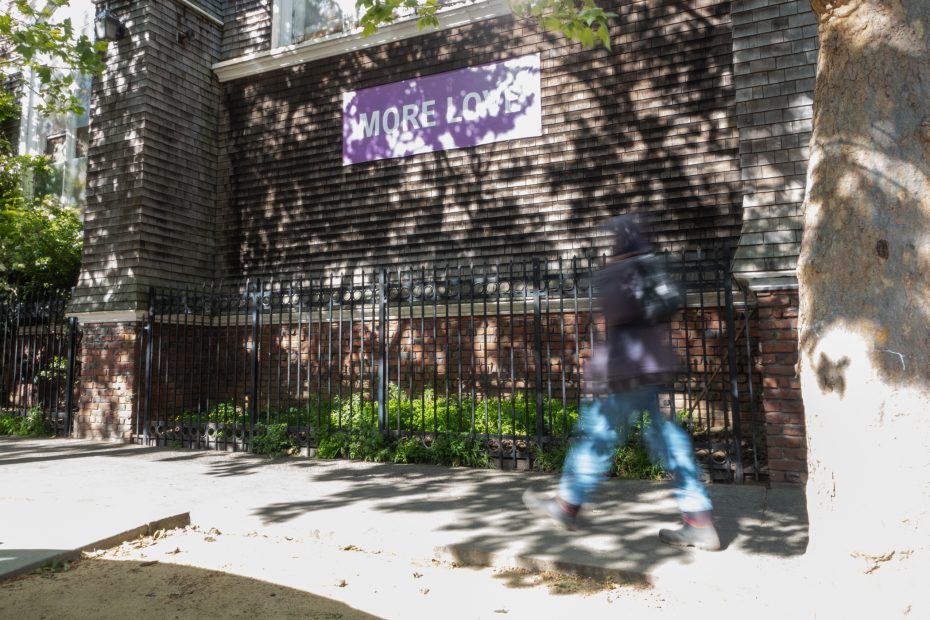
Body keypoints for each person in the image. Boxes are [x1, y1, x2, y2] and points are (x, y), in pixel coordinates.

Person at [523, 215, 721, 551]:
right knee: (668, 440)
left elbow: (611, 327)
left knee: (597, 438)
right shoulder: (652, 269)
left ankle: (565, 505)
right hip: (654, 369)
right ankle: (699, 520)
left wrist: (596, 373)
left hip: (621, 375)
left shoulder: (618, 274)